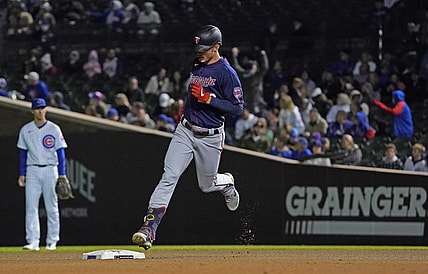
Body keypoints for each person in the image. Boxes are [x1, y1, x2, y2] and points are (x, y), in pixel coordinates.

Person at [132, 25, 243, 250]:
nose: (199, 51)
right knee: (169, 176)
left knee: (207, 185)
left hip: (210, 137)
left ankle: (227, 182)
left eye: (204, 48)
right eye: (198, 47)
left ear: (217, 47)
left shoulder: (227, 73)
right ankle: (149, 228)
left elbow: (237, 108)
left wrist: (209, 99)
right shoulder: (197, 63)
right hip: (185, 130)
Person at [17, 98, 68, 251]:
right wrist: (22, 173)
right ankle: (33, 241)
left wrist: (62, 174)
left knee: (52, 207)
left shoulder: (54, 128)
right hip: (32, 169)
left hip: (50, 169)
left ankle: (52, 241)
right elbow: (22, 153)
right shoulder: (26, 129)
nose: (40, 111)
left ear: (46, 109)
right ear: (32, 111)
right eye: (37, 108)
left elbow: (61, 152)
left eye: (43, 108)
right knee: (31, 207)